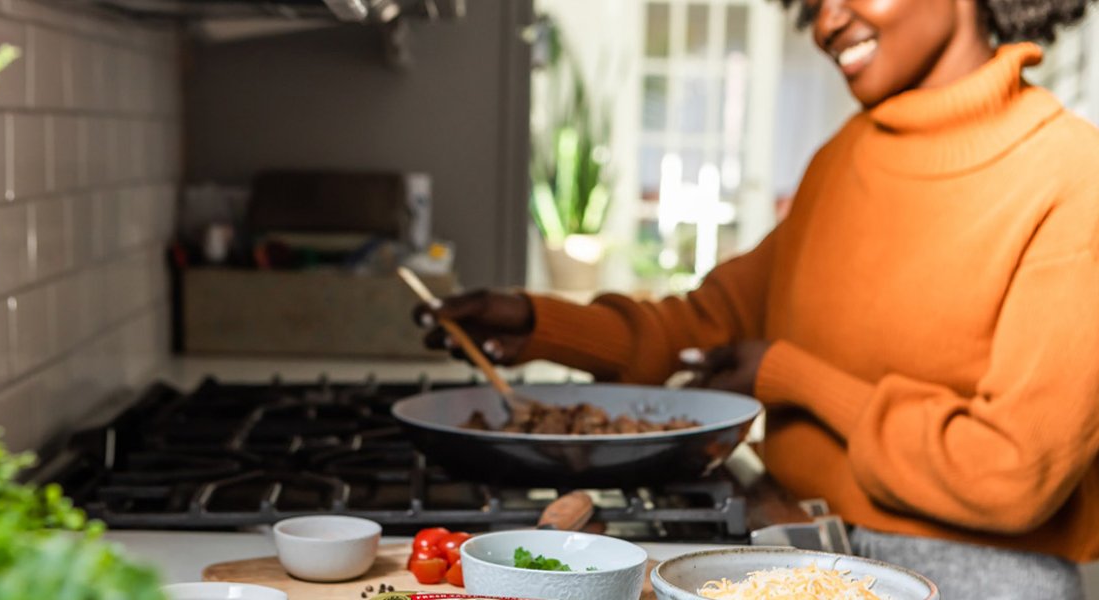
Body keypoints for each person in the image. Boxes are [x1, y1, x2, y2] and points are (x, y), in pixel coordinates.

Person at [414, 0, 1099, 598]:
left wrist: (789, 376)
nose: (827, 20)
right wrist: (535, 322)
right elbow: (703, 327)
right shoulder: (844, 158)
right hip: (797, 541)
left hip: (978, 577)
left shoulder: (1072, 177)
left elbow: (1012, 475)